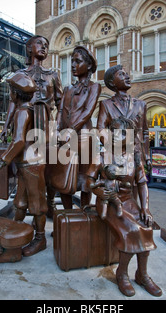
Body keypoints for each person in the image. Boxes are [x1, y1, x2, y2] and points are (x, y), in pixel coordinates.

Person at [87, 117, 161, 297]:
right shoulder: (102, 156)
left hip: (129, 201)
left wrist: (145, 208)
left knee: (147, 227)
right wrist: (99, 193)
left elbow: (142, 183)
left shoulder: (134, 157)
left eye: (123, 133)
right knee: (132, 229)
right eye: (115, 132)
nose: (118, 136)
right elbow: (89, 180)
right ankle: (122, 273)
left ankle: (142, 274)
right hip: (108, 202)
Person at [0, 73, 48, 257]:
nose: (9, 95)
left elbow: (19, 141)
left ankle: (40, 239)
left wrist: (2, 161)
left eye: (10, 91)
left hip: (31, 163)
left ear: (16, 93)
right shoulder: (29, 109)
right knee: (20, 201)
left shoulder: (23, 112)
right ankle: (16, 231)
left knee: (37, 204)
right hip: (27, 163)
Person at [54, 45, 101, 209]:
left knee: (84, 179)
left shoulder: (94, 87)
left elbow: (88, 111)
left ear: (88, 66)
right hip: (64, 138)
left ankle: (84, 214)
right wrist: (57, 130)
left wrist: (70, 130)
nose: (73, 65)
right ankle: (67, 216)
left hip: (83, 138)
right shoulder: (67, 89)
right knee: (63, 175)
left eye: (77, 61)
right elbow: (60, 111)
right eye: (72, 61)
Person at [1, 35, 63, 141]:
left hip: (46, 123)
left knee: (45, 154)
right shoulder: (20, 74)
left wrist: (57, 128)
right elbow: (13, 102)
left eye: (46, 46)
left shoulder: (53, 75)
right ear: (29, 47)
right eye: (39, 43)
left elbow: (61, 104)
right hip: (24, 121)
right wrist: (6, 126)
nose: (43, 47)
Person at [97, 65, 151, 174]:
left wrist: (147, 156)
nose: (127, 77)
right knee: (117, 187)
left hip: (136, 154)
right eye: (121, 74)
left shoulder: (141, 104)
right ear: (112, 82)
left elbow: (145, 132)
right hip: (115, 155)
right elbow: (101, 129)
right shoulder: (106, 104)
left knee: (138, 185)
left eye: (126, 74)